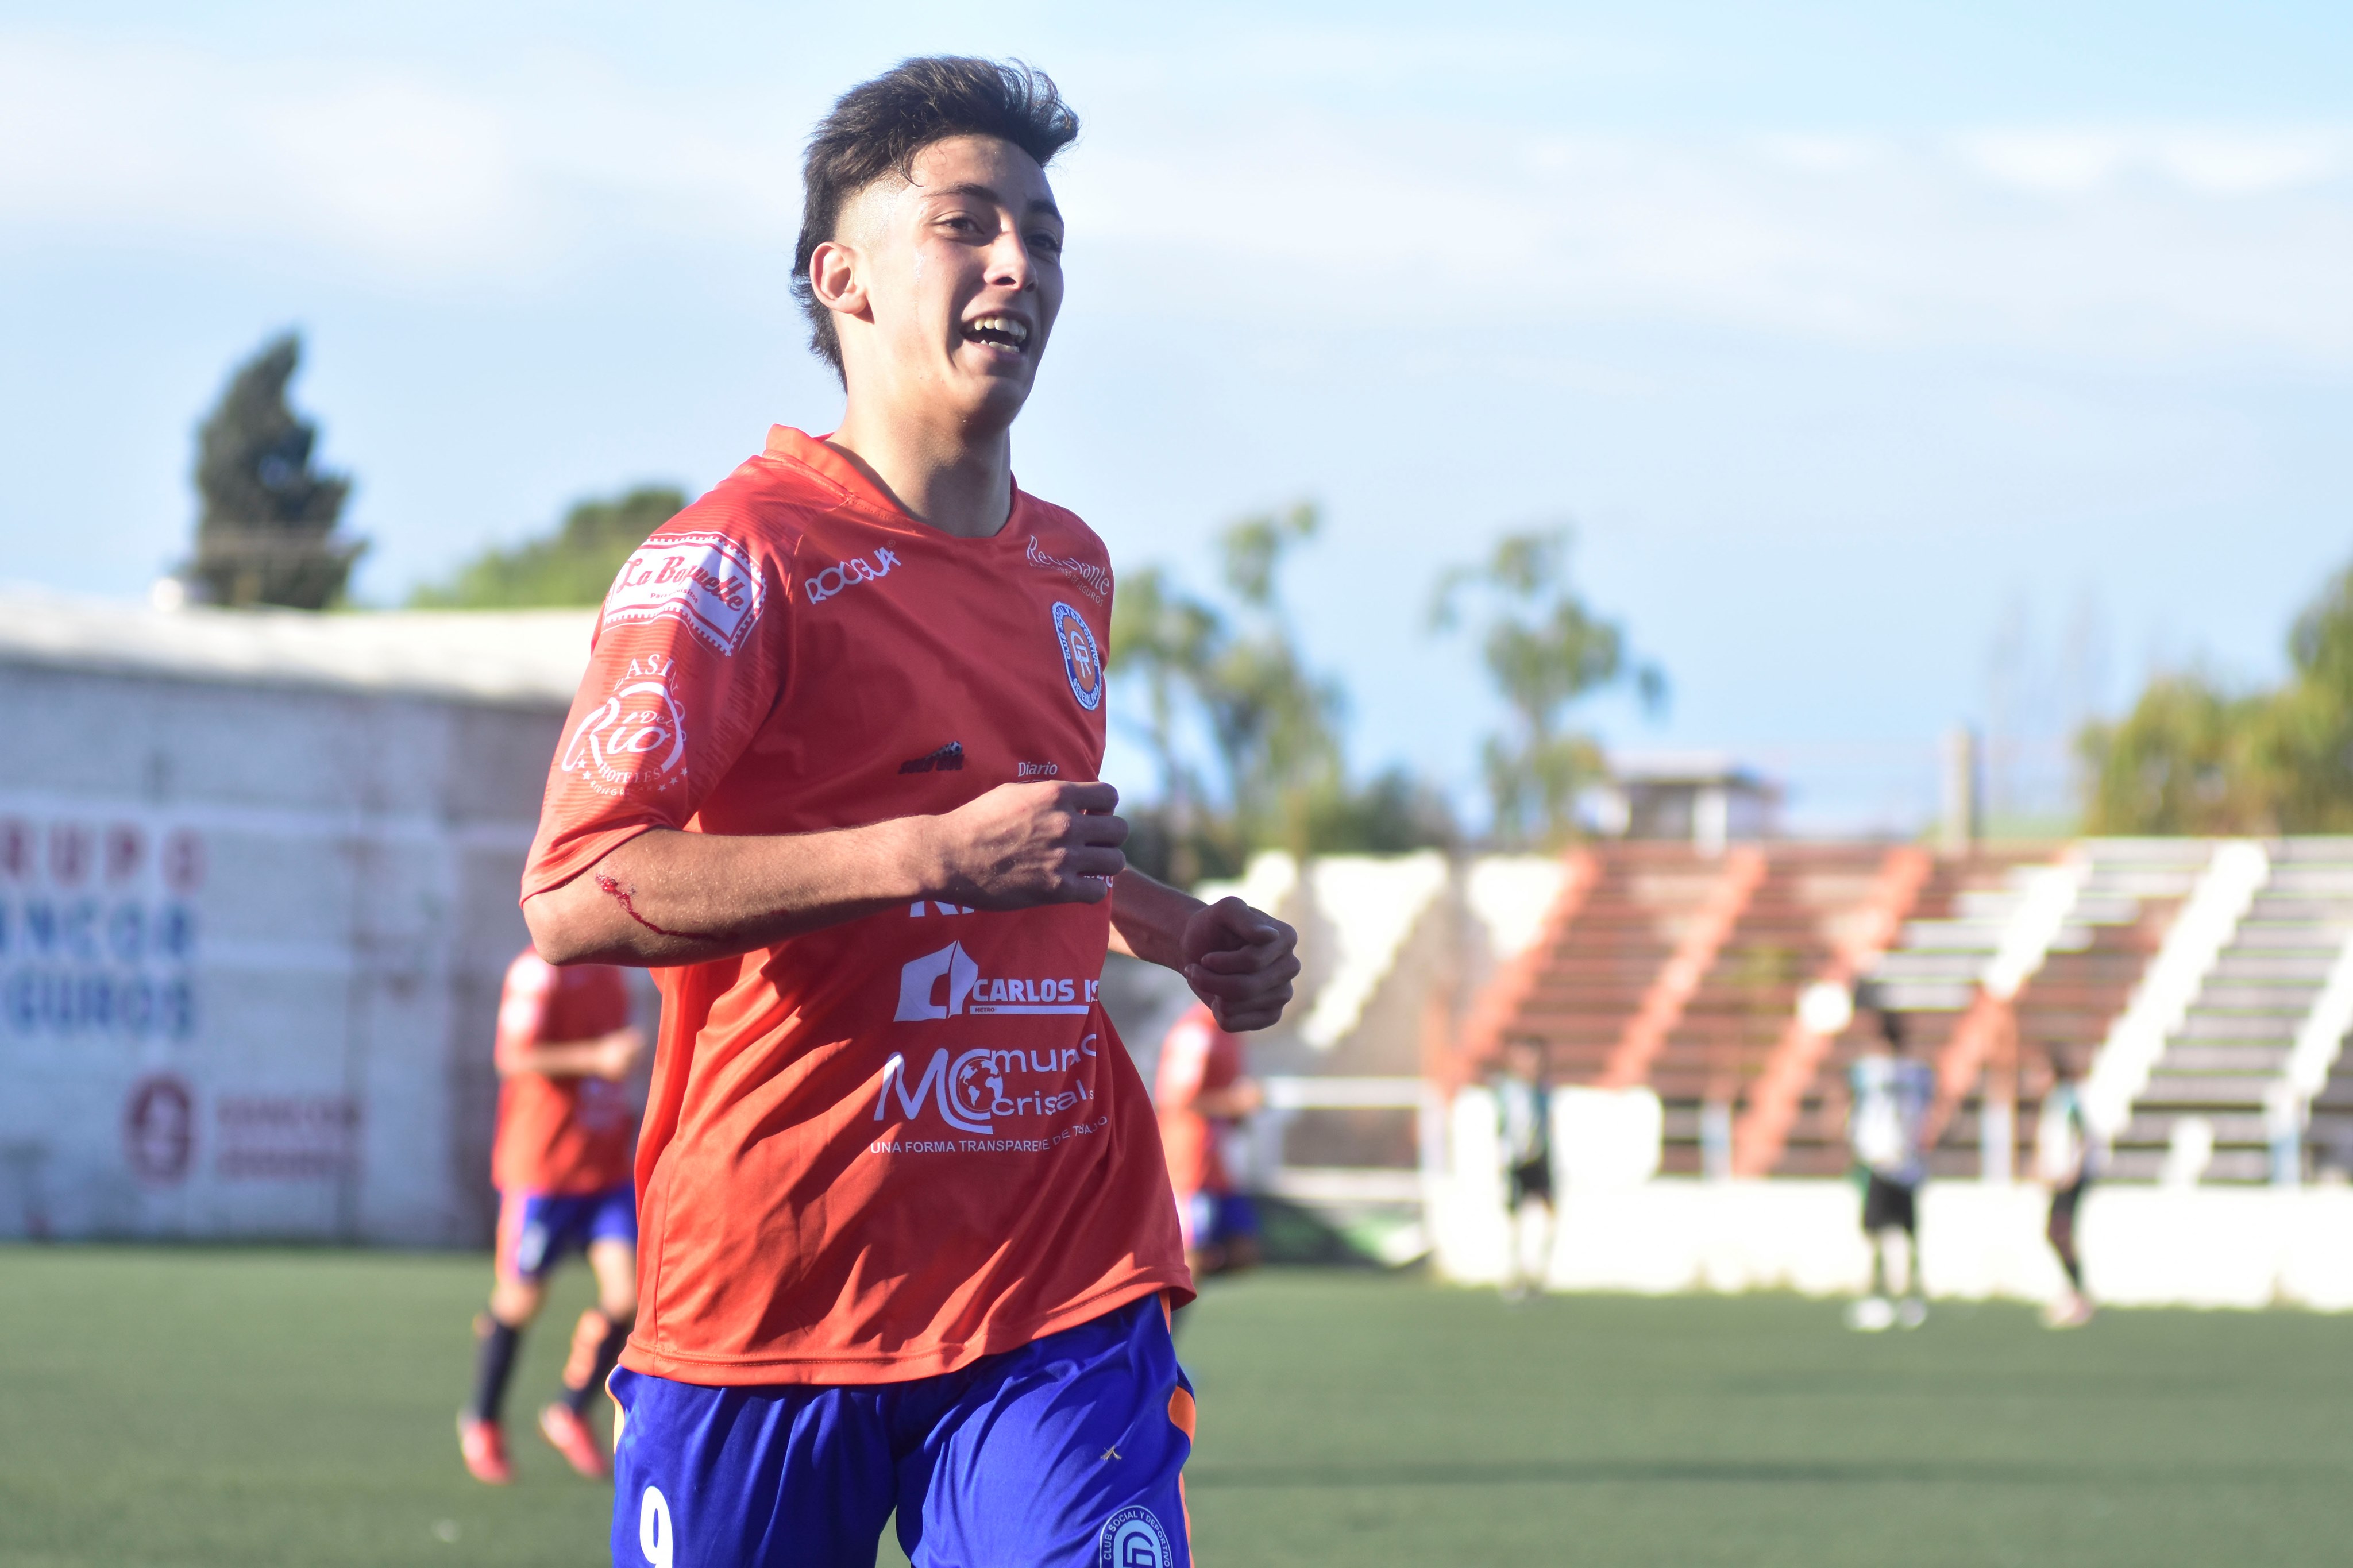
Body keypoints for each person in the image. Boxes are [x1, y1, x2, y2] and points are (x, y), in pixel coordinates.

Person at [516, 58, 1299, 1568]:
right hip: (772, 1291)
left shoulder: (1069, 566)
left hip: (1051, 1274)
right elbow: (574, 888)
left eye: (1045, 236)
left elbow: (1020, 844)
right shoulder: (733, 562)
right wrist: (924, 858)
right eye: (968, 225)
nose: (1019, 263)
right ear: (845, 279)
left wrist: (1173, 927)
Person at [458, 947, 646, 1485]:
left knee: (630, 1295)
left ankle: (569, 1409)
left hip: (605, 1169)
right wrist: (597, 1057)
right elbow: (513, 1058)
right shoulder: (537, 971)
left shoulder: (614, 970)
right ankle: (483, 1420)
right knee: (520, 1299)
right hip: (544, 1171)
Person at [1155, 1001, 1264, 1280]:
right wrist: (1235, 1103)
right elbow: (1178, 1100)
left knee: (1243, 1252)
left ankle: (1173, 1282)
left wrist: (1239, 1111)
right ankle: (1163, 1296)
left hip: (1218, 1165)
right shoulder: (1195, 1033)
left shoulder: (1229, 1032)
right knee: (1189, 1256)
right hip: (1188, 1164)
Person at [1846, 1008, 1934, 1331]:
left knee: (1876, 1234)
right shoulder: (1919, 1073)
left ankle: (1877, 1296)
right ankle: (1913, 1298)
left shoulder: (1866, 1071)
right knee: (1909, 1234)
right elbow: (1933, 1114)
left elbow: (1848, 1109)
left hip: (1877, 1159)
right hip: (1909, 1162)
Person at [2035, 1041, 2099, 1328]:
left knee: (2059, 1233)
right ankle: (2075, 1293)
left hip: (2069, 1179)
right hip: (2059, 1179)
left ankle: (2078, 1296)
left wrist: (2072, 1170)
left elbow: (2080, 1136)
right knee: (2056, 1234)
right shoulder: (2054, 1101)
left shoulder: (2067, 1099)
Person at [1492, 1037, 1555, 1300]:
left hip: (1539, 1159)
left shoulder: (1543, 1091)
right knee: (1515, 1221)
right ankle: (1516, 1276)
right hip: (1516, 1161)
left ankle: (1538, 1276)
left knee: (1548, 1218)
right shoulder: (1507, 1091)